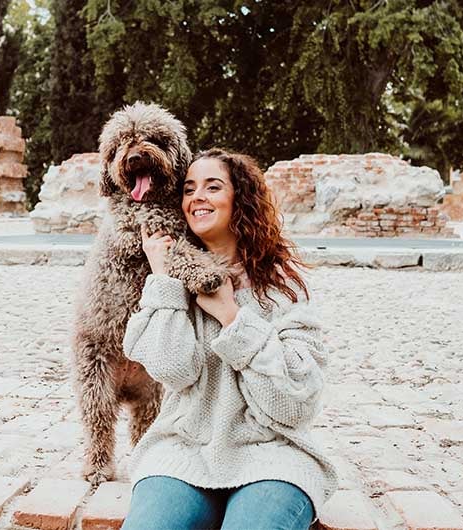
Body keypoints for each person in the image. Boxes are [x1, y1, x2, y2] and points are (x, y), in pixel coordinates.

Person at [120, 148, 337, 530]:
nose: (197, 197)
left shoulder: (283, 290)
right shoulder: (169, 287)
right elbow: (175, 370)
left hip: (271, 457)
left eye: (212, 186)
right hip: (183, 452)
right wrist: (165, 278)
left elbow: (294, 405)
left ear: (241, 198)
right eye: (188, 189)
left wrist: (232, 317)